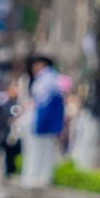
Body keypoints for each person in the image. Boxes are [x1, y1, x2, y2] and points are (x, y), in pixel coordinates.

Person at [22, 55, 64, 187]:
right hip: (43, 119)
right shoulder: (47, 78)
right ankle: (39, 175)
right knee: (41, 149)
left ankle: (39, 176)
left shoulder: (48, 79)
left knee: (41, 150)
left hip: (45, 120)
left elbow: (45, 103)